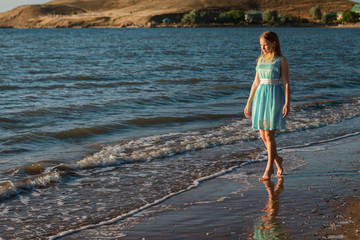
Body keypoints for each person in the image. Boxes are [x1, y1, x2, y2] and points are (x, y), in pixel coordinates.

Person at [244, 31, 290, 181]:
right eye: (261, 45)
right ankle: (278, 160)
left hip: (274, 97)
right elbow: (256, 82)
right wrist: (248, 103)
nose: (263, 48)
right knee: (263, 135)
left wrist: (287, 103)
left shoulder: (281, 60)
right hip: (260, 97)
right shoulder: (260, 60)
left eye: (265, 44)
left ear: (274, 43)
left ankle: (269, 168)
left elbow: (286, 83)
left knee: (269, 135)